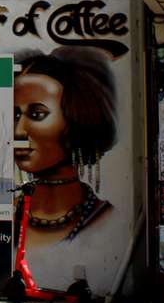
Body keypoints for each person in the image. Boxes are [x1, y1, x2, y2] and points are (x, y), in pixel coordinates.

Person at [12, 46, 117, 250]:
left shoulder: (106, 219)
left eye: (37, 114)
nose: (19, 130)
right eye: (15, 115)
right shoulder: (5, 217)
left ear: (75, 119)